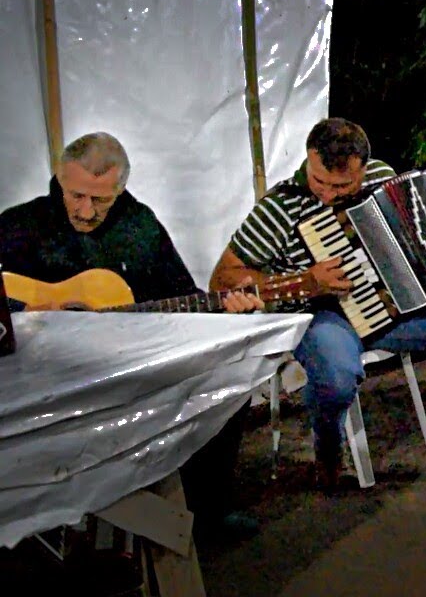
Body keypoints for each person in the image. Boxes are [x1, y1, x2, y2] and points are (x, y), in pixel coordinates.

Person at [210, 118, 426, 488]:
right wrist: (306, 281)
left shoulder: (381, 176)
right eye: (319, 181)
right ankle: (327, 448)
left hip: (392, 311)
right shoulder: (279, 207)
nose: (327, 194)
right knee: (338, 375)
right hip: (322, 314)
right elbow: (222, 278)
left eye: (342, 186)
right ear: (309, 160)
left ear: (363, 167)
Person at [0, 132, 263, 539]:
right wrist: (29, 313)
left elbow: (182, 295)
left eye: (100, 200)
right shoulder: (21, 224)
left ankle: (205, 512)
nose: (85, 212)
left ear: (120, 190)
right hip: (46, 381)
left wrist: (224, 307)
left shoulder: (139, 226)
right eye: (75, 196)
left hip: (125, 369)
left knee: (228, 383)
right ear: (59, 178)